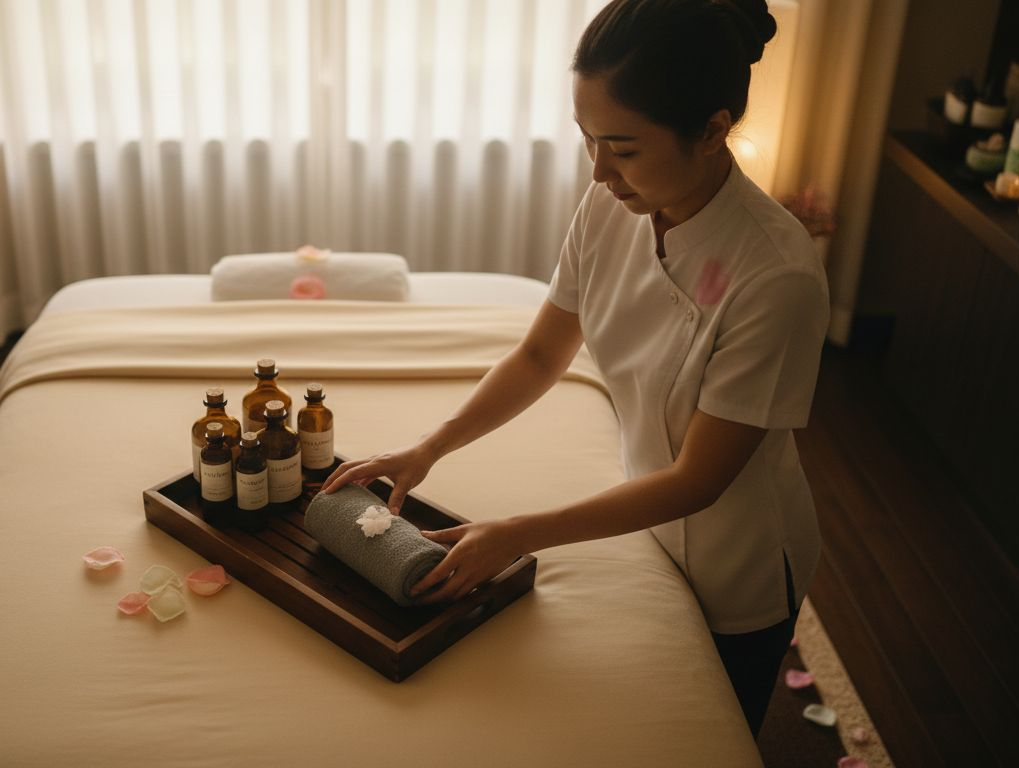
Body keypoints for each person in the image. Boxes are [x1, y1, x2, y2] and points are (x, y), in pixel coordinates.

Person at [322, 0, 828, 738]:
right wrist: (427, 449)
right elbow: (539, 355)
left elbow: (699, 480)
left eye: (622, 148)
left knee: (708, 735)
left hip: (734, 556)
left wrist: (516, 533)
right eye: (588, 139)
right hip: (643, 515)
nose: (598, 170)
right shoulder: (609, 206)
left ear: (712, 131)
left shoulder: (777, 275)